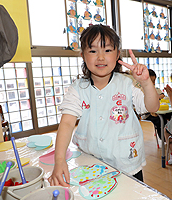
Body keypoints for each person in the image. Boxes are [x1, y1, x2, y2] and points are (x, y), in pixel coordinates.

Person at [48, 24, 160, 186]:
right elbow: (66, 123)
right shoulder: (78, 88)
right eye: (93, 51)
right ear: (83, 56)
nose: (100, 57)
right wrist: (59, 161)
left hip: (127, 164)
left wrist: (146, 83)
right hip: (90, 164)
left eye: (107, 50)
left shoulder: (127, 83)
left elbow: (152, 107)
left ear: (117, 55)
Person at [140, 69, 170, 141]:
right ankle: (164, 138)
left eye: (154, 80)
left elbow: (162, 95)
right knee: (160, 121)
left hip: (159, 110)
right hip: (147, 114)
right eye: (151, 80)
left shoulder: (155, 88)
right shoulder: (141, 90)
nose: (153, 82)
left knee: (170, 116)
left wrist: (159, 96)